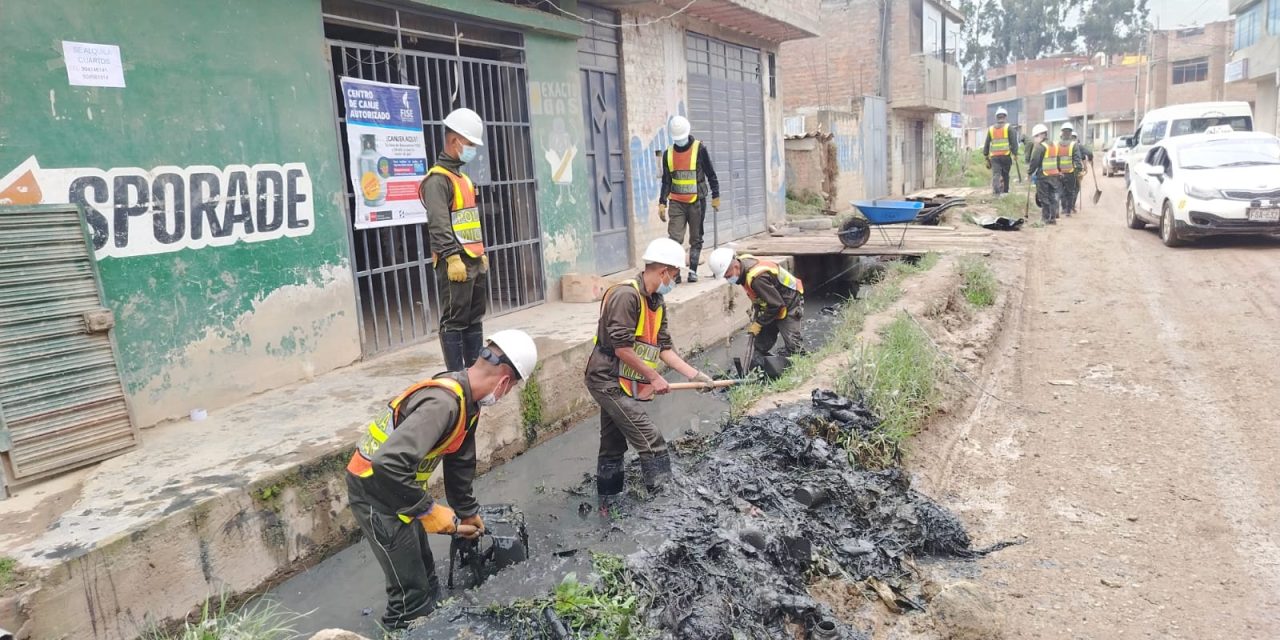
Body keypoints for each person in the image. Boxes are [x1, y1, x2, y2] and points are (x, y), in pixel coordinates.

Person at [345, 329, 538, 630]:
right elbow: (387, 464)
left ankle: (430, 623)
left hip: (400, 489)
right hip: (374, 492)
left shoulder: (467, 403)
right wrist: (428, 510)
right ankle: (401, 629)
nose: (505, 395)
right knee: (409, 593)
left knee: (427, 574)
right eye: (510, 389)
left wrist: (467, 511)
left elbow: (459, 461)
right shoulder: (443, 403)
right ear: (504, 382)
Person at [586, 238, 714, 508]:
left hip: (625, 379)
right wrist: (655, 377)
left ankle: (607, 504)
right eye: (675, 274)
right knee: (650, 438)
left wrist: (695, 376)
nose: (675, 280)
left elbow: (664, 347)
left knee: (612, 444)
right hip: (606, 378)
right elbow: (621, 347)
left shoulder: (656, 301)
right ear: (663, 271)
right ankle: (665, 506)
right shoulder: (625, 295)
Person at [421, 107, 489, 371]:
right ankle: (457, 376)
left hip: (472, 260)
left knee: (474, 318)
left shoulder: (464, 179)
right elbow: (438, 224)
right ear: (455, 141)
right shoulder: (437, 180)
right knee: (454, 320)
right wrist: (451, 257)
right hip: (455, 263)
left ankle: (475, 372)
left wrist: (480, 252)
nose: (472, 150)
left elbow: (468, 220)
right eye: (470, 144)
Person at [708, 248, 805, 359]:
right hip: (771, 302)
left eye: (728, 276)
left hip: (790, 300)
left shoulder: (758, 279)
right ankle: (759, 365)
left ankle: (799, 362)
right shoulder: (742, 265)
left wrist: (759, 323)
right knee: (761, 343)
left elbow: (777, 305)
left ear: (735, 267)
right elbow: (765, 298)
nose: (728, 279)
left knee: (794, 345)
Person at [658, 116, 720, 283]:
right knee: (675, 239)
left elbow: (711, 174)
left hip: (696, 201)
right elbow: (666, 181)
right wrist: (662, 202)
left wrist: (716, 195)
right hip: (676, 202)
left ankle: (693, 271)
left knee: (696, 237)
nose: (679, 141)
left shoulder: (699, 149)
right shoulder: (668, 154)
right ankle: (675, 273)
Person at [1027, 123, 1062, 225]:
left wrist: (1029, 173)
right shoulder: (1055, 145)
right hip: (1054, 175)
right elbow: (1058, 159)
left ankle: (1045, 218)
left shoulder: (1040, 147)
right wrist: (1059, 171)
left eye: (1035, 136)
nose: (1035, 139)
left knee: (1044, 197)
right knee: (1052, 197)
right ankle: (1052, 218)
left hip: (1044, 175)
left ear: (1041, 135)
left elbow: (1034, 161)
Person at [983, 107, 1019, 195]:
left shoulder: (991, 129)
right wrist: (1015, 154)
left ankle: (996, 192)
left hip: (994, 157)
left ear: (997, 117)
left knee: (996, 174)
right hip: (1005, 155)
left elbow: (987, 143)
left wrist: (986, 155)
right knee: (1005, 174)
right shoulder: (1009, 128)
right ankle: (1005, 191)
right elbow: (1014, 142)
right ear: (1005, 117)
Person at [1056, 124, 1084, 216]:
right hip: (1070, 173)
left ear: (1062, 133)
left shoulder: (1057, 144)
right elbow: (1077, 159)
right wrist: (1078, 171)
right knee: (1070, 192)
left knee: (1061, 191)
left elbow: (1055, 158)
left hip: (1059, 172)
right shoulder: (1073, 145)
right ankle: (1068, 211)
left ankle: (1063, 208)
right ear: (1071, 133)